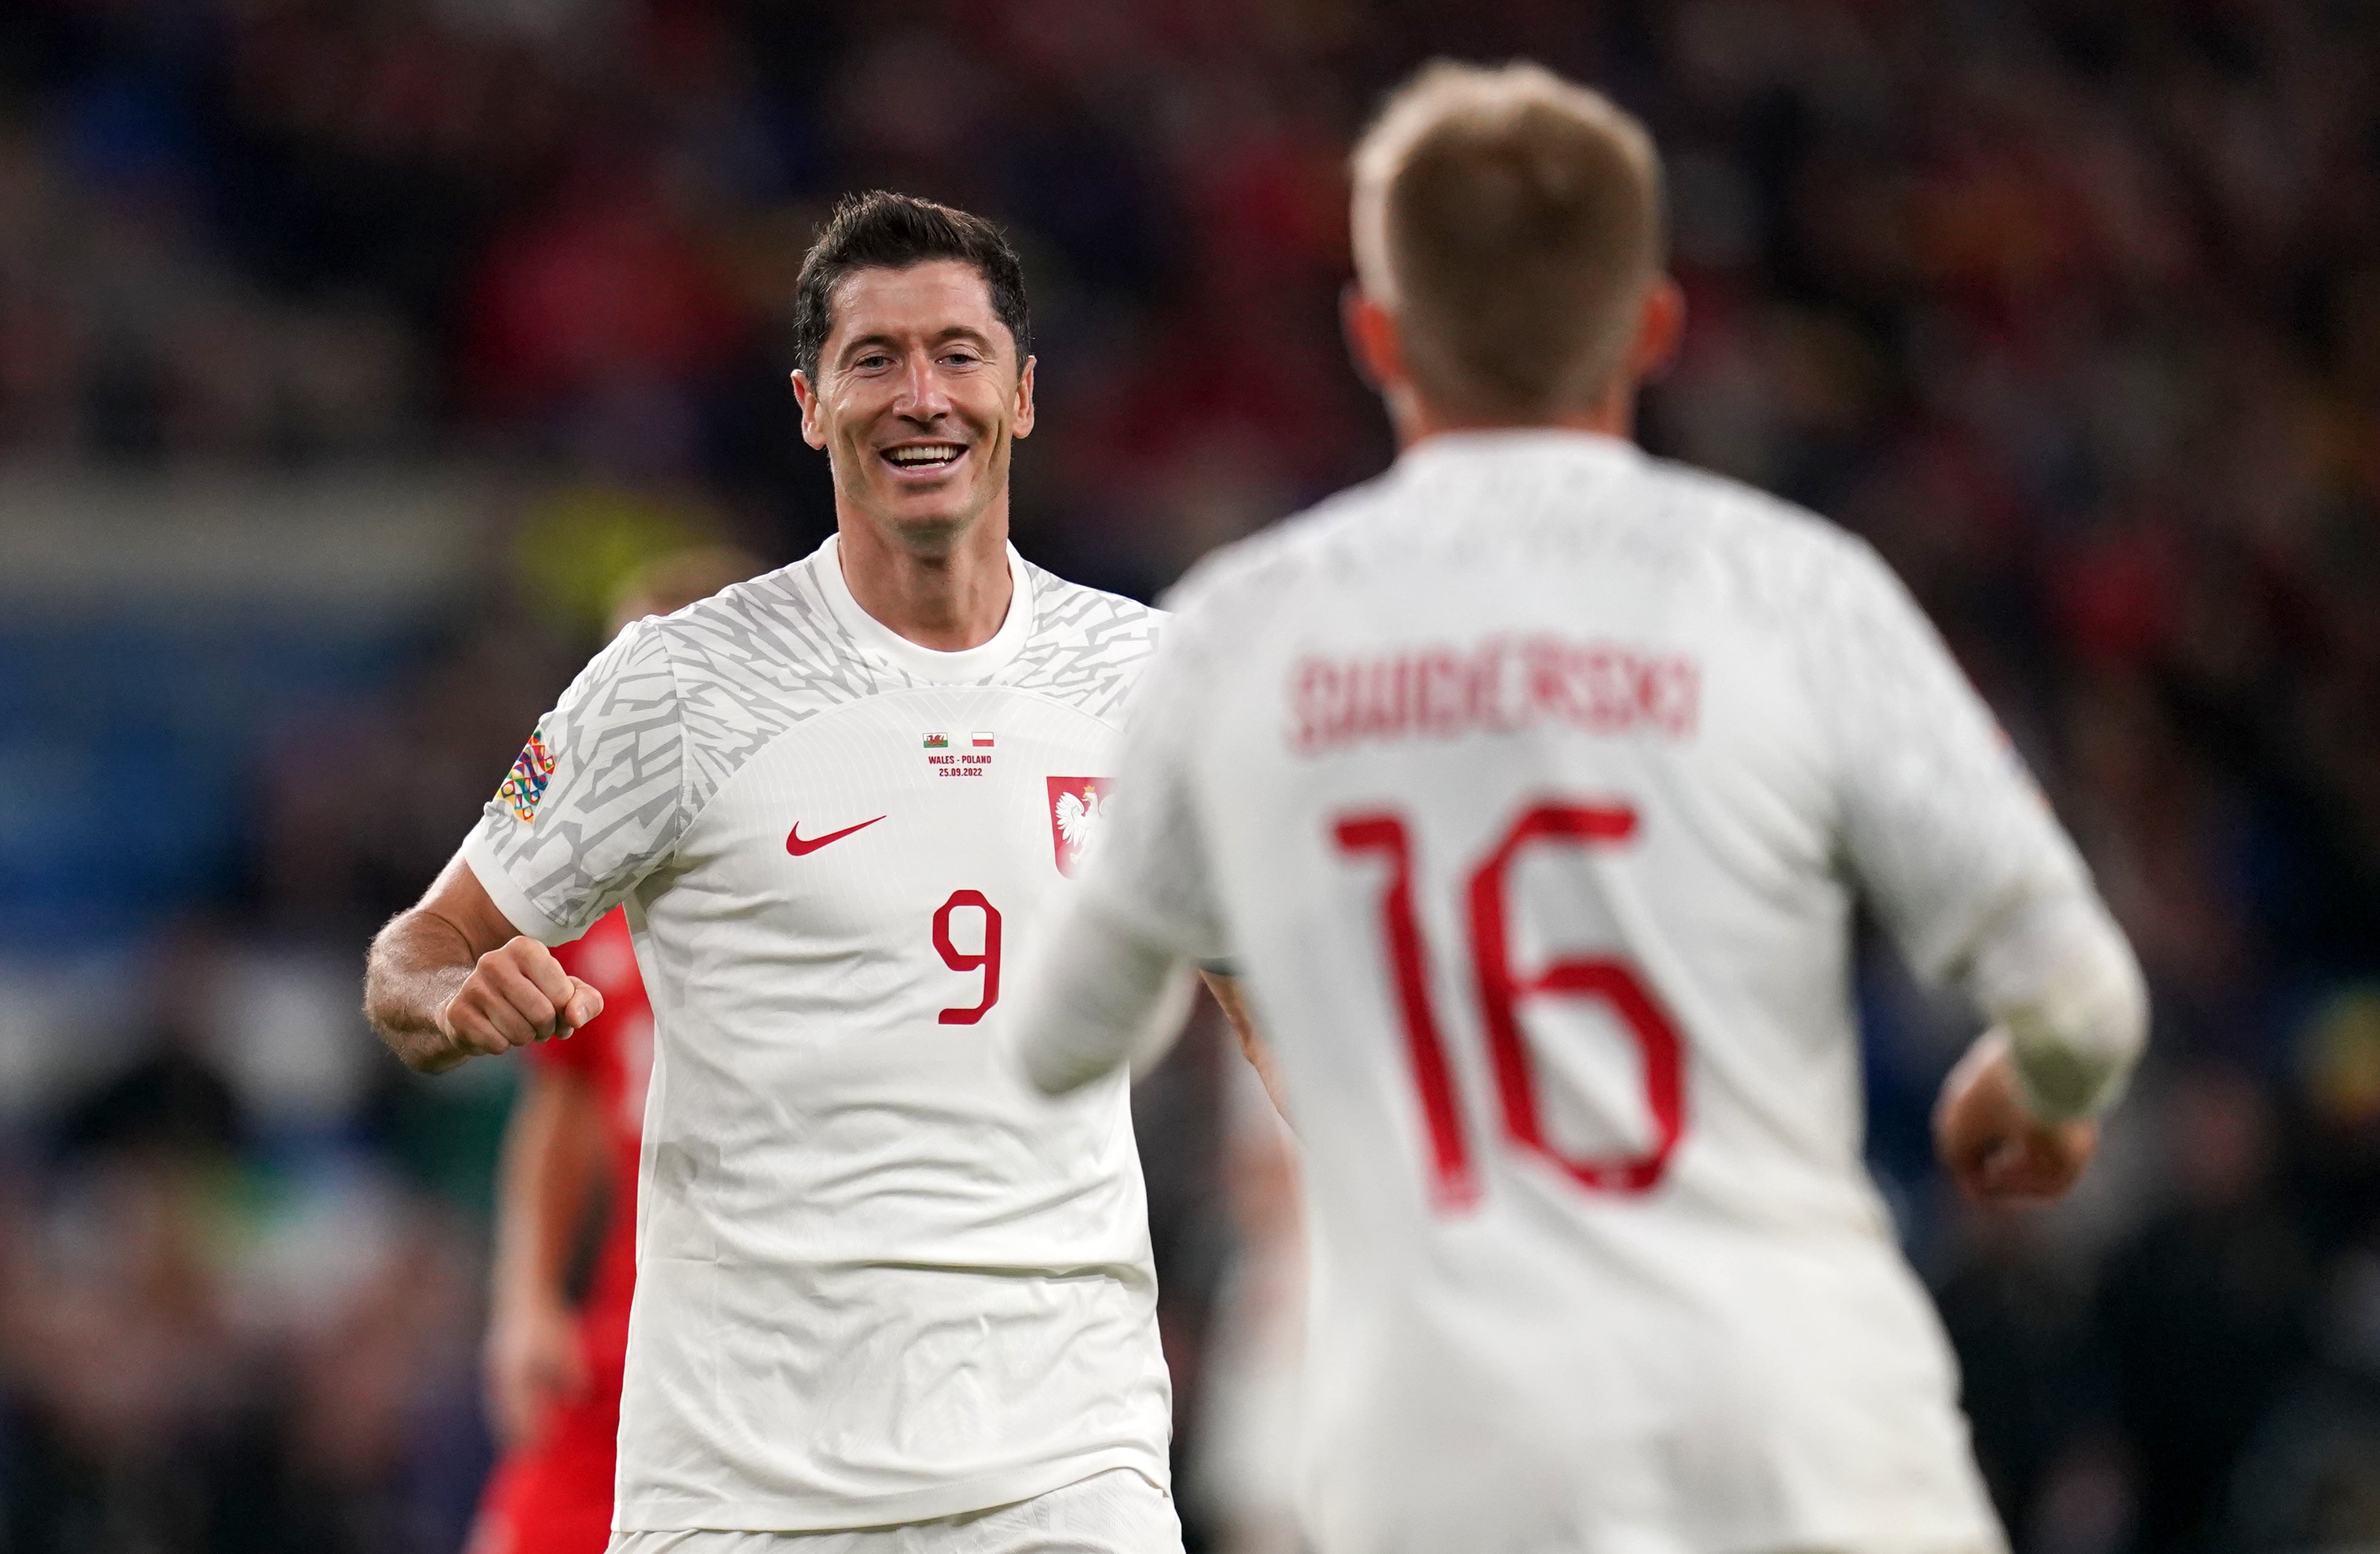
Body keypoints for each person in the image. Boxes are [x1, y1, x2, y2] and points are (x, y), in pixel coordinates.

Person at [1007, 61, 2150, 1554]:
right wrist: (2037, 1092)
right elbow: (2086, 999)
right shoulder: (1792, 589)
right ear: (1655, 325)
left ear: (1376, 333)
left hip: (1443, 1442)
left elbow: (1058, 1036)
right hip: (1798, 1420)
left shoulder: (1242, 631)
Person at [367, 191, 1185, 1553]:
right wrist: (449, 1000)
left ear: (1024, 394)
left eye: (958, 353)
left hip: (1065, 1452)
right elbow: (418, 947)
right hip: (750, 1477)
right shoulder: (673, 683)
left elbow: (1265, 989)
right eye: (874, 359)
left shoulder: (1150, 679)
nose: (921, 395)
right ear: (810, 402)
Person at [467, 549, 763, 1554]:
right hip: (632, 1334)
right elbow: (563, 1103)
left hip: (795, 1344)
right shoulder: (590, 896)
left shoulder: (827, 879)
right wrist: (526, 1299)